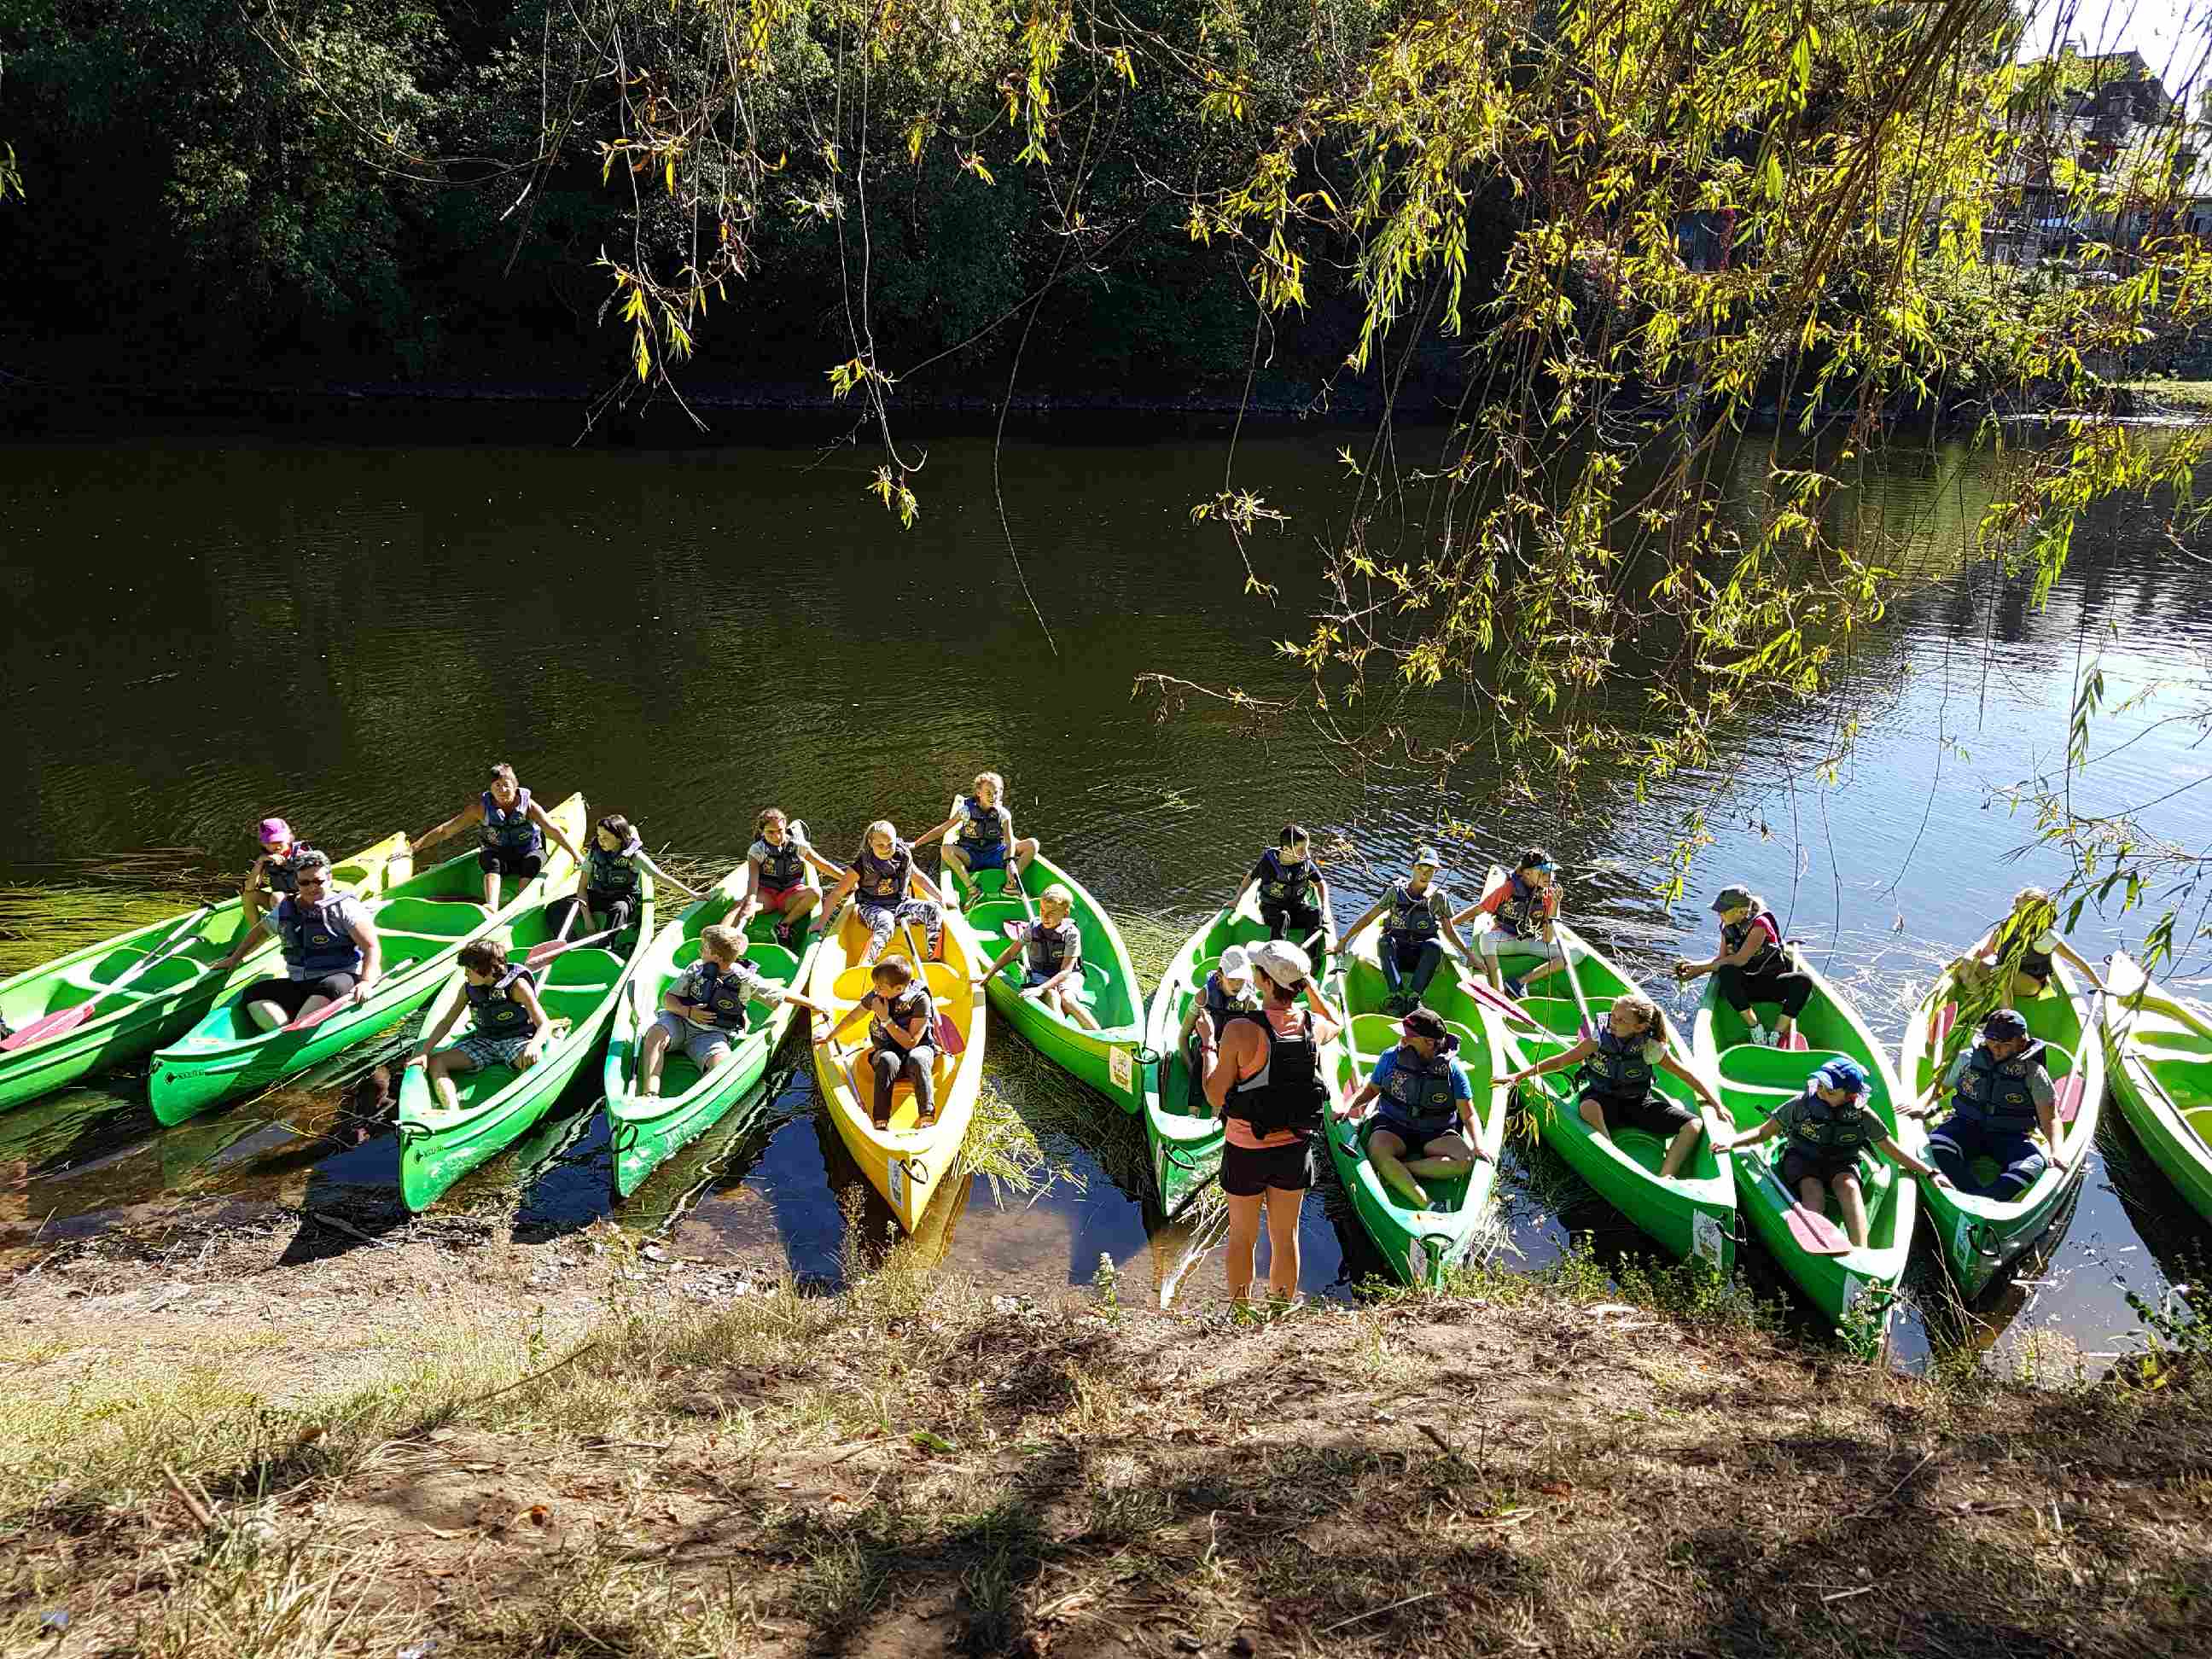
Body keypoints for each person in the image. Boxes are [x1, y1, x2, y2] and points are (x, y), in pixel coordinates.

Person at [1204, 940, 1342, 1309]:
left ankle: (1241, 1313)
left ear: (1263, 981)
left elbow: (1216, 1097)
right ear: (1297, 985)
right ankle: (1279, 1313)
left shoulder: (1239, 1030)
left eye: (1257, 970)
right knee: (1286, 1236)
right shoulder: (1313, 1026)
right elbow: (1337, 1023)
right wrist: (1307, 984)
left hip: (1246, 1150)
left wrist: (1206, 1047)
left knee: (1242, 1238)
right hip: (1294, 1150)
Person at [1717, 1057, 1949, 1246]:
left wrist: (1930, 1172)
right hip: (1802, 1159)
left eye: (1829, 1090)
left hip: (1842, 1163)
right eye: (1819, 1085)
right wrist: (1732, 1142)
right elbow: (1763, 1133)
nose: (1820, 1091)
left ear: (1851, 1096)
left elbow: (1892, 1149)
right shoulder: (1800, 1104)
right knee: (1812, 1188)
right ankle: (1815, 1244)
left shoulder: (1863, 1116)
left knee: (1848, 1186)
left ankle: (1860, 1251)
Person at [1499, 991, 1724, 1179]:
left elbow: (1685, 1075)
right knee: (1588, 1107)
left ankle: (1665, 1176)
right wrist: (1519, 1076)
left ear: (1639, 1027)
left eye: (1621, 1020)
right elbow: (1562, 1060)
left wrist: (1716, 1104)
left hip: (1638, 1104)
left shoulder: (1650, 1047)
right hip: (1602, 1098)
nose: (1612, 1022)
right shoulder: (1599, 1037)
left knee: (1693, 1125)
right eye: (1613, 1016)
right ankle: (1610, 1151)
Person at [635, 923, 830, 1097]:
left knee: (722, 1066)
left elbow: (777, 993)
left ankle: (693, 1100)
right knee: (655, 1034)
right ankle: (650, 1093)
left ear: (717, 956)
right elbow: (668, 1000)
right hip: (679, 1022)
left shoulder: (743, 979)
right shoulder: (696, 968)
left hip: (712, 1035)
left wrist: (812, 1004)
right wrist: (688, 1012)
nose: (700, 951)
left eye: (703, 948)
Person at [1905, 1008, 2066, 1197]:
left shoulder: (2034, 1073)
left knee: (2034, 1165)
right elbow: (1939, 1087)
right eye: (1992, 1041)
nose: (1996, 1048)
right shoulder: (1967, 1059)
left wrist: (2057, 1151)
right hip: (1966, 1126)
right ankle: (1967, 1194)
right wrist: (1921, 1105)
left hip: (2010, 1136)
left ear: (2021, 1043)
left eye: (2005, 1044)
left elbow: (2051, 1119)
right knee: (1937, 1144)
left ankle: (1988, 1199)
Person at [212, 851, 382, 1031]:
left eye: (318, 881)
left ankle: (297, 1029)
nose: (312, 887)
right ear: (296, 882)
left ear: (329, 878)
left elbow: (371, 947)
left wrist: (366, 982)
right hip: (301, 982)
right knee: (254, 993)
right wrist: (235, 958)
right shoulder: (287, 908)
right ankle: (282, 1033)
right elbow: (261, 931)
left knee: (329, 986)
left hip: (341, 977)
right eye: (305, 882)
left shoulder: (345, 908)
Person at [1339, 1007, 1491, 1206]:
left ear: (1429, 1042)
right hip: (1394, 1126)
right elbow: (1370, 1091)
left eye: (1409, 1037)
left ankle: (1398, 1169)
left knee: (1465, 1161)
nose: (1402, 1040)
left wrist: (1478, 1146)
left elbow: (1468, 1114)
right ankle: (1426, 1202)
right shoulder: (1390, 1057)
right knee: (1377, 1150)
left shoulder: (1453, 1070)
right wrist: (1347, 1105)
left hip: (1436, 1132)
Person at [405, 938, 552, 1108]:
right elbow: (447, 1022)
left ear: (486, 970)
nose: (466, 974)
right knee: (437, 1061)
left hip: (516, 1040)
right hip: (484, 1041)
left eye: (469, 970)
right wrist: (424, 1052)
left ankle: (517, 1103)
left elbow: (544, 1024)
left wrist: (533, 1046)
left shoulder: (517, 987)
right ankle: (452, 1110)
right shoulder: (468, 989)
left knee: (532, 1060)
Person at [413, 763, 585, 907]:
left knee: (532, 862)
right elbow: (446, 830)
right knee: (490, 862)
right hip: (498, 854)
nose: (503, 790)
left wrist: (577, 856)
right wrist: (414, 848)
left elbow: (551, 829)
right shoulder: (479, 810)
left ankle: (518, 903)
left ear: (515, 786)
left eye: (506, 785)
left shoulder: (529, 806)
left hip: (527, 851)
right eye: (497, 786)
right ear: (491, 789)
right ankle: (491, 907)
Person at [1673, 883, 1813, 1048]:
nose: (1719, 914)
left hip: (1773, 984)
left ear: (1740, 911)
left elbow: (1740, 960)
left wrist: (1702, 969)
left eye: (1723, 911)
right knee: (1726, 971)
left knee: (1804, 981)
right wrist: (1694, 967)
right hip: (1747, 987)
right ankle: (1756, 1028)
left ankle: (1777, 1033)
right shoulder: (1728, 927)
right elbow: (1721, 959)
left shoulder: (1761, 925)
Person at [1340, 847, 1476, 1014]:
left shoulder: (1439, 897)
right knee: (1385, 941)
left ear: (1436, 872)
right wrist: (1343, 941)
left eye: (1430, 870)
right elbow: (1369, 917)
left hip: (1420, 957)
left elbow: (1449, 931)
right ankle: (1396, 996)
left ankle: (1414, 997)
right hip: (1398, 954)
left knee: (1434, 945)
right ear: (1412, 868)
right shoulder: (1396, 892)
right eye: (1420, 868)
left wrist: (1470, 955)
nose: (1424, 874)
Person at [820, 953, 940, 1131]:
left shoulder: (920, 1000)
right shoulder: (876, 997)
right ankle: (880, 1120)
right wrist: (830, 1036)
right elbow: (853, 1017)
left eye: (880, 987)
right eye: (875, 985)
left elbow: (911, 1042)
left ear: (898, 988)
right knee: (887, 1059)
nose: (875, 990)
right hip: (889, 1051)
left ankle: (926, 1116)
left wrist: (885, 1019)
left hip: (917, 1050)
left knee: (917, 1058)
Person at [548, 813, 694, 943]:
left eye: (606, 838)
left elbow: (660, 876)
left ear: (619, 838)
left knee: (619, 910)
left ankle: (604, 945)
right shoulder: (594, 854)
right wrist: (587, 917)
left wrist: (693, 894)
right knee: (554, 909)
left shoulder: (635, 857)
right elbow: (582, 886)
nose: (600, 841)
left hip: (622, 897)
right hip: (598, 894)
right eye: (599, 836)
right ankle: (567, 944)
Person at [973, 883, 1101, 1029]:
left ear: (1065, 914)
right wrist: (988, 975)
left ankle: (1100, 1035)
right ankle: (1065, 1032)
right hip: (1042, 974)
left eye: (1051, 913)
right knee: (1052, 996)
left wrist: (1040, 989)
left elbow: (1066, 971)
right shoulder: (1033, 928)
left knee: (1067, 999)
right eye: (1042, 910)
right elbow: (1011, 952)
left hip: (1068, 975)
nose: (1045, 916)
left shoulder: (1071, 934)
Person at [1951, 887, 2110, 1002]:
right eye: (2016, 909)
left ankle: (2007, 1017)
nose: (2017, 913)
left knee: (2003, 975)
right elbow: (1987, 951)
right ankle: (1981, 1002)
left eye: (2022, 911)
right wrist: (1969, 963)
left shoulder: (2046, 937)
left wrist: (2101, 986)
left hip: (2029, 985)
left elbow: (2078, 962)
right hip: (2002, 974)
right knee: (1963, 963)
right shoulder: (2008, 925)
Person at [824, 821, 943, 965]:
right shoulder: (862, 864)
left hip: (900, 904)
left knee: (934, 910)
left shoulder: (902, 855)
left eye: (890, 844)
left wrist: (942, 899)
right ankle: (866, 964)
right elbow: (837, 893)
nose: (886, 849)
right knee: (886, 921)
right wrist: (821, 923)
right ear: (871, 843)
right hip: (872, 907)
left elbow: (920, 879)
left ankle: (934, 959)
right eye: (880, 845)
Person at [1456, 849, 1568, 998]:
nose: (1550, 878)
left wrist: (1554, 906)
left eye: (1552, 873)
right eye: (1545, 873)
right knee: (1486, 937)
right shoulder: (1509, 888)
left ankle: (1519, 983)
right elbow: (1478, 909)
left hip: (1530, 940)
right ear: (1527, 873)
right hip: (1505, 940)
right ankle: (1499, 991)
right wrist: (1449, 923)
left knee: (1576, 953)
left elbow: (1547, 939)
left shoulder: (1550, 895)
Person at [726, 808, 845, 947]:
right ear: (762, 831)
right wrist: (750, 903)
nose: (777, 836)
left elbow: (825, 866)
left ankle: (783, 926)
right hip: (767, 896)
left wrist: (849, 880)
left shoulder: (798, 846)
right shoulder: (757, 850)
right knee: (740, 905)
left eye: (780, 831)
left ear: (785, 828)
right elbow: (753, 879)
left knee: (815, 893)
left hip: (790, 896)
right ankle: (721, 937)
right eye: (771, 832)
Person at [1230, 826, 1332, 980]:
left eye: (1307, 848)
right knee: (1283, 916)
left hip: (1296, 908)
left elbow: (1320, 883)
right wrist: (1236, 900)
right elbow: (1251, 878)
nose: (1306, 854)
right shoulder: (1269, 863)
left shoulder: (1304, 862)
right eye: (1301, 849)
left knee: (1315, 913)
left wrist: (1326, 907)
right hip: (1273, 912)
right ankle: (1276, 960)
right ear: (1286, 849)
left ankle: (1309, 960)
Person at [917, 771, 1040, 888]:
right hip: (971, 856)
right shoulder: (966, 811)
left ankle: (1010, 885)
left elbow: (1009, 841)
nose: (993, 797)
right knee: (945, 850)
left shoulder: (1003, 814)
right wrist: (916, 844)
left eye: (996, 792)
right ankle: (971, 887)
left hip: (995, 854)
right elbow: (942, 829)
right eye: (988, 793)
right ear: (979, 793)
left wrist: (1010, 862)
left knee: (1033, 844)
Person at [1178, 943, 1261, 1107]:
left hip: (1230, 1052)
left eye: (1241, 980)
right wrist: (1192, 1071)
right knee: (1202, 1049)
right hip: (1205, 1049)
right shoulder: (1203, 997)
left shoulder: (1249, 1002)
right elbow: (1183, 1038)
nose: (1237, 985)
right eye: (1232, 979)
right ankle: (1194, 1109)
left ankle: (1220, 1109)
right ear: (1219, 976)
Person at [242, 817, 323, 923]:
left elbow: (317, 885)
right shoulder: (266, 858)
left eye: (279, 840)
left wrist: (290, 864)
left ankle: (292, 933)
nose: (276, 846)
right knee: (249, 896)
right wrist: (260, 862)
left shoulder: (301, 852)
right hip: (281, 904)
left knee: (277, 897)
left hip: (308, 901)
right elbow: (249, 888)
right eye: (270, 842)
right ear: (263, 843)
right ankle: (256, 933)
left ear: (288, 837)